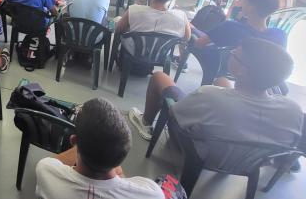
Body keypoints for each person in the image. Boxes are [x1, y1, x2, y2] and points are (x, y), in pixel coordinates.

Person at [36, 97, 165, 199]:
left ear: (74, 141)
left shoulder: (46, 171)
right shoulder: (153, 195)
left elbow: (51, 162)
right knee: (174, 189)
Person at [128, 39, 303, 152]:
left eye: (234, 54)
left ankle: (145, 122)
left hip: (197, 149)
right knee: (222, 81)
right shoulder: (293, 110)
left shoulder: (209, 95)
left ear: (242, 69)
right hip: (244, 160)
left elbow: (176, 114)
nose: (231, 55)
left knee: (160, 77)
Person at [191, 0, 287, 85]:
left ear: (251, 9)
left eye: (245, 2)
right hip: (262, 81)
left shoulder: (231, 27)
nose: (241, 4)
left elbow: (200, 42)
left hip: (224, 71)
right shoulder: (279, 35)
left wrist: (192, 29)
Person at [115, 0, 190, 56]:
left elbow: (119, 30)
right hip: (161, 54)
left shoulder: (134, 10)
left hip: (133, 52)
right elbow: (186, 38)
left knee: (118, 21)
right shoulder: (181, 17)